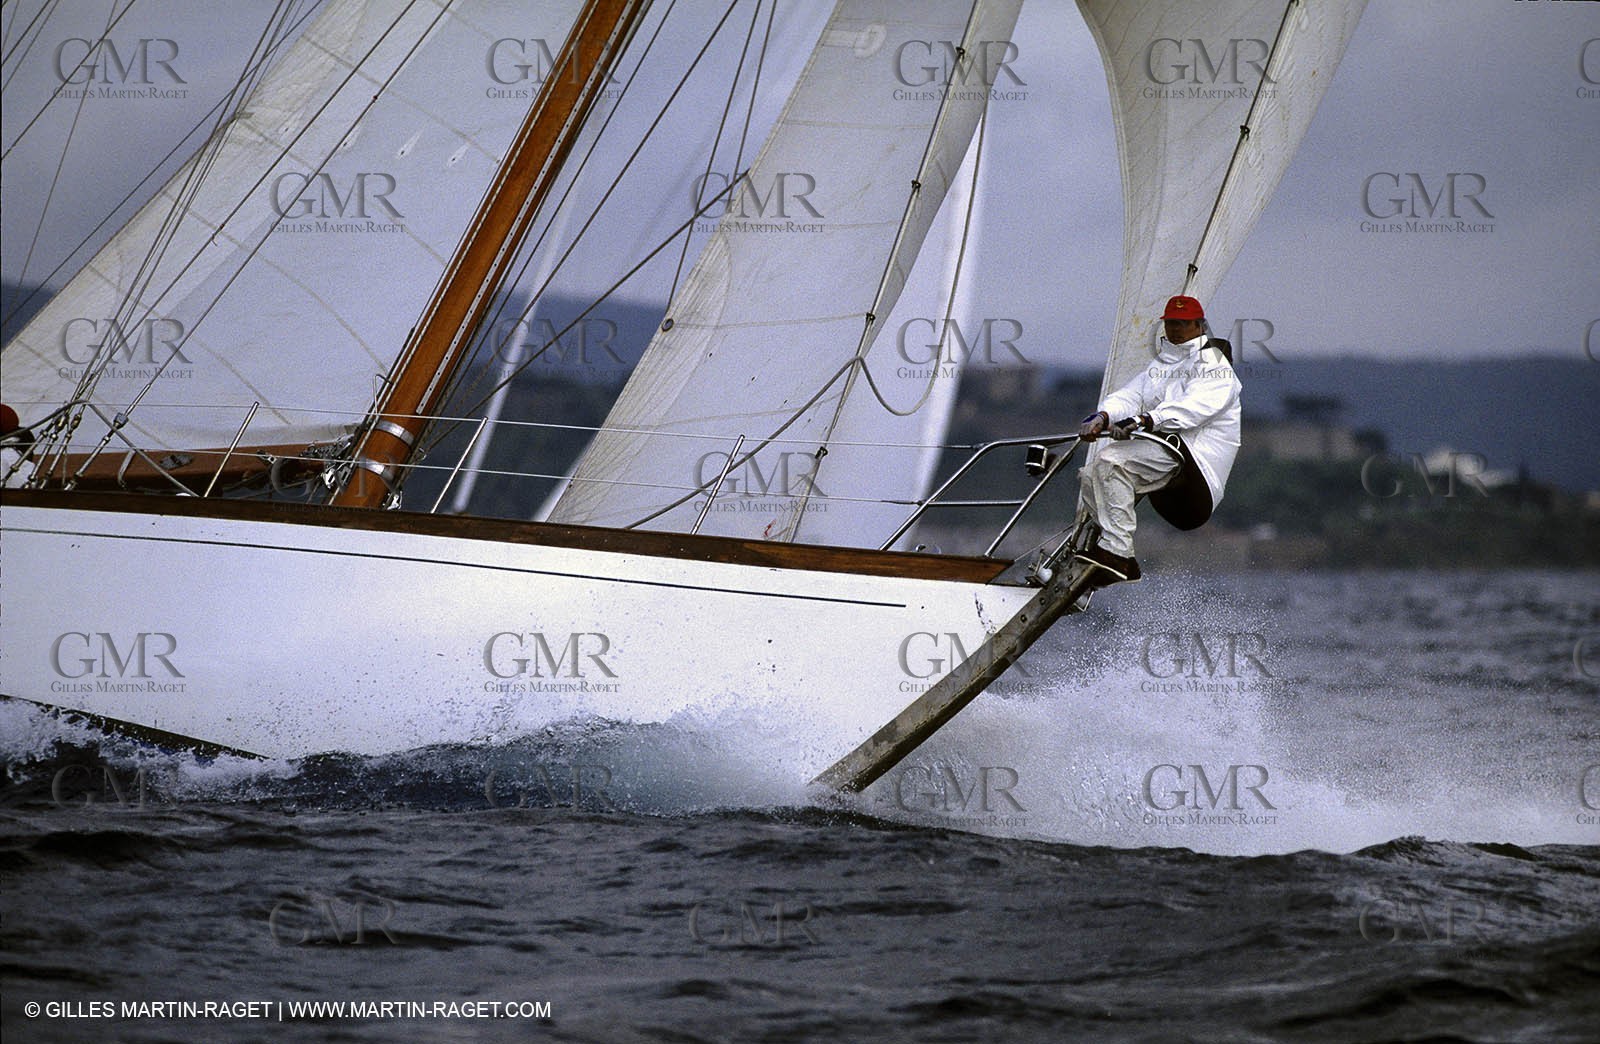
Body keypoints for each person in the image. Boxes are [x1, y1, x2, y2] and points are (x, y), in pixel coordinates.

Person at [1072, 295, 1241, 584]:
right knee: (1090, 475)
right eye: (1171, 323)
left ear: (1200, 326)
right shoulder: (1164, 362)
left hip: (1196, 471)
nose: (1175, 329)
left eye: (1183, 323)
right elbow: (1132, 396)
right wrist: (1103, 416)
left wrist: (1146, 420)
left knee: (1112, 463)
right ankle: (1106, 556)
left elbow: (1193, 409)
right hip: (1170, 457)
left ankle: (1118, 556)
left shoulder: (1215, 364)